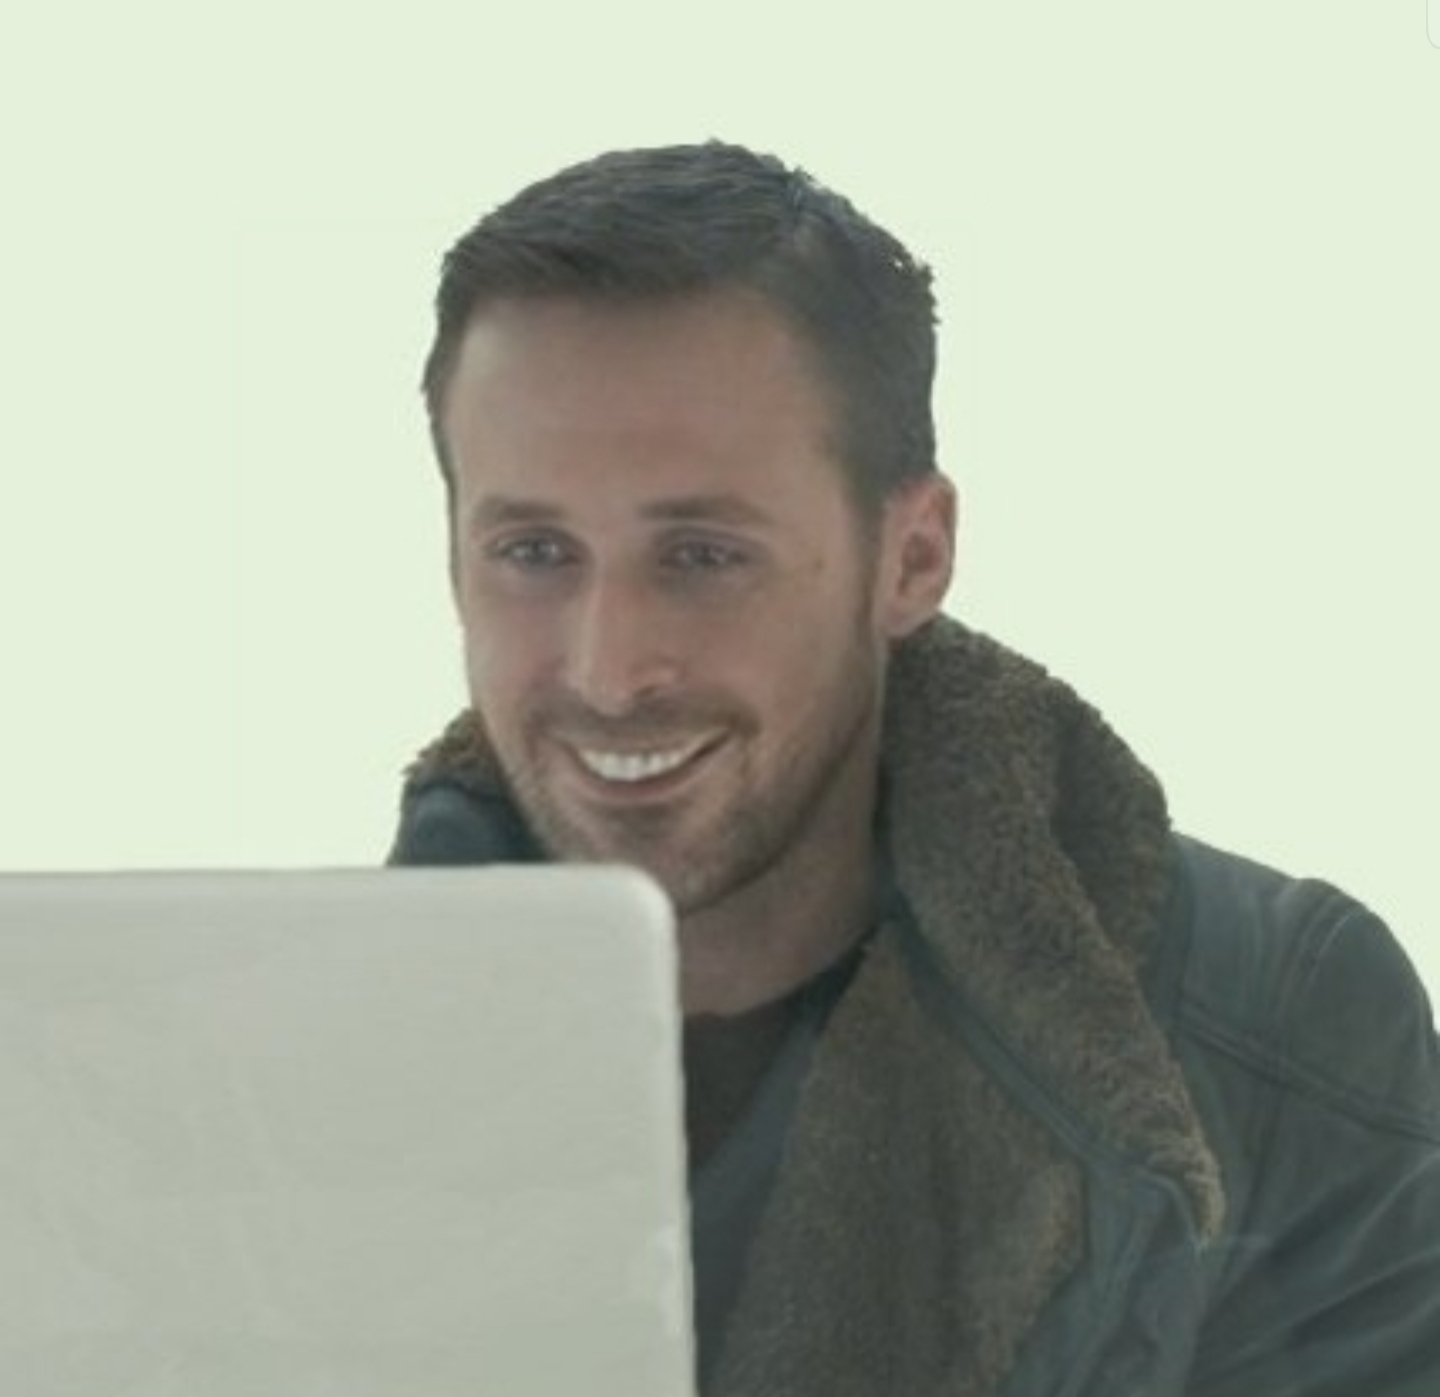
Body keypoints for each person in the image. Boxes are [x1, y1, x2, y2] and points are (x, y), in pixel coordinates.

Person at [386, 141, 1440, 1396]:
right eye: (534, 551)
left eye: (704, 554)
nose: (610, 669)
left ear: (914, 557)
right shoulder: (284, 1060)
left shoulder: (1274, 1029)